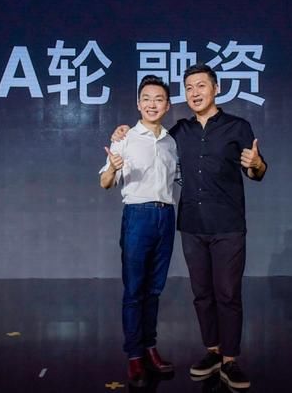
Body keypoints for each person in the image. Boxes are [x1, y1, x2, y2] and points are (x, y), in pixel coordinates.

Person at [112, 64, 267, 389]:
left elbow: (256, 172)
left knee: (228, 293)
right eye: (189, 88)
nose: (195, 93)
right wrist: (122, 133)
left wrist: (256, 164)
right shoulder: (179, 132)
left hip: (228, 225)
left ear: (216, 88)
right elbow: (151, 136)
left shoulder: (237, 127)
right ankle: (212, 352)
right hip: (192, 226)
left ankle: (230, 360)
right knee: (202, 294)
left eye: (201, 86)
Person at [99, 75, 178, 387]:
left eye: (159, 99)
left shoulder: (172, 142)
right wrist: (113, 167)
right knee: (134, 290)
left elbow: (181, 178)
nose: (152, 104)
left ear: (167, 105)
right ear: (138, 104)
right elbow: (105, 183)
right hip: (138, 216)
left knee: (154, 290)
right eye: (146, 99)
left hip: (166, 216)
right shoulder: (125, 138)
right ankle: (134, 355)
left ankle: (149, 347)